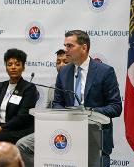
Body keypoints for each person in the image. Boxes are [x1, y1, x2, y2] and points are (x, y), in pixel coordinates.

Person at [53, 30, 122, 167]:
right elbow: (57, 103)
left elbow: (116, 107)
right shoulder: (64, 72)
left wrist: (89, 113)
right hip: (68, 136)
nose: (65, 50)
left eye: (70, 46)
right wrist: (68, 114)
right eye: (65, 45)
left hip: (96, 138)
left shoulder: (105, 71)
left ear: (84, 47)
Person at [16, 49, 68, 167]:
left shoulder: (78, 86)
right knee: (21, 145)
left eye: (65, 62)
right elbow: (46, 112)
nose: (61, 65)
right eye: (58, 62)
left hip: (70, 131)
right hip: (51, 130)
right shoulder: (53, 88)